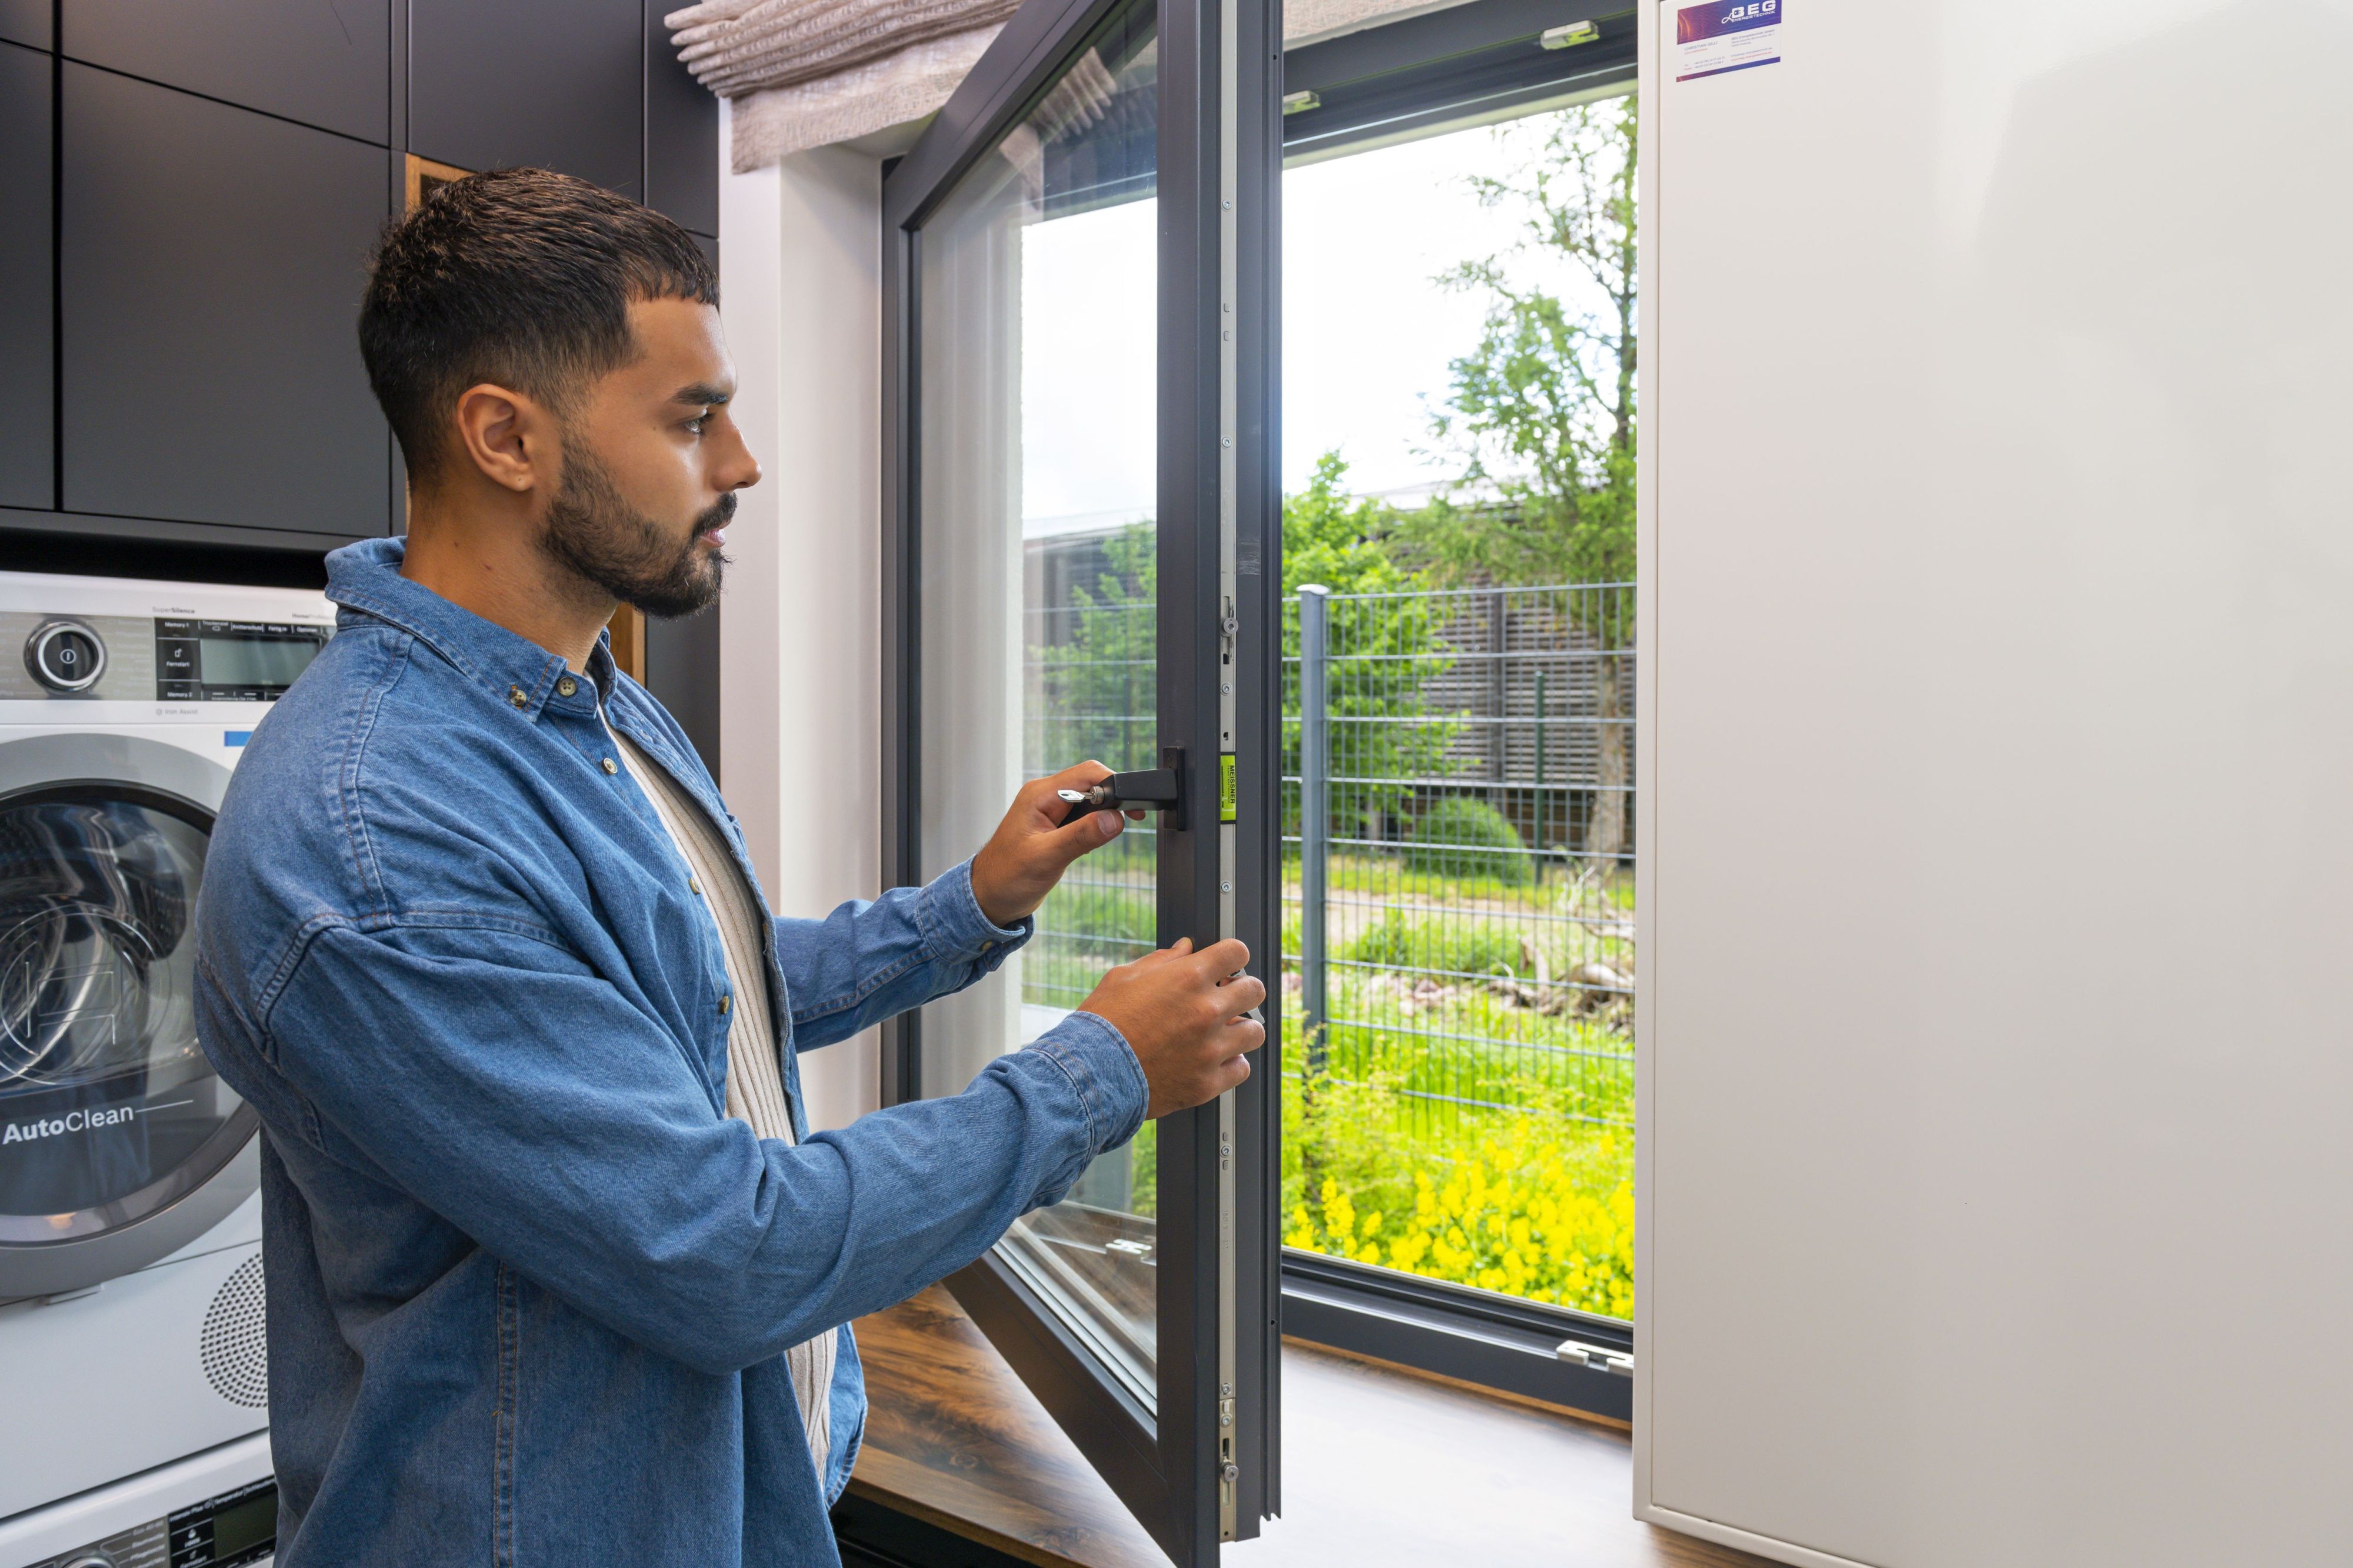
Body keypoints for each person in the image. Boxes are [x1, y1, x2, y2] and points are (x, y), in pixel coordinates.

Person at [193, 168, 1264, 1567]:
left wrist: (971, 904)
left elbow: (693, 997)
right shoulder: (375, 836)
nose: (743, 464)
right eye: (692, 419)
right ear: (506, 437)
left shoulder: (595, 701)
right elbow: (724, 1250)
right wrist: (1099, 1072)